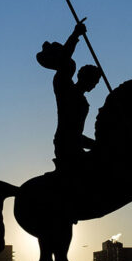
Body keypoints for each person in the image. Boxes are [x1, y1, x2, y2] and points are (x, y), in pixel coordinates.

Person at [37, 22, 102, 174]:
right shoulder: (64, 86)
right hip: (65, 145)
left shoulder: (83, 100)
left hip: (76, 143)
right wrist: (75, 35)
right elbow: (65, 60)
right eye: (94, 81)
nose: (94, 86)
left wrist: (98, 144)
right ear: (84, 77)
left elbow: (76, 133)